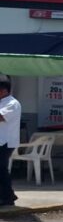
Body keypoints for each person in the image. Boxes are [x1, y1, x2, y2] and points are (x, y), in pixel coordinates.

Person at [0, 78, 22, 207]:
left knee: (1, 169)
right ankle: (8, 194)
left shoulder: (12, 103)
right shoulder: (2, 102)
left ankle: (7, 197)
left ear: (3, 91)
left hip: (5, 141)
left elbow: (1, 117)